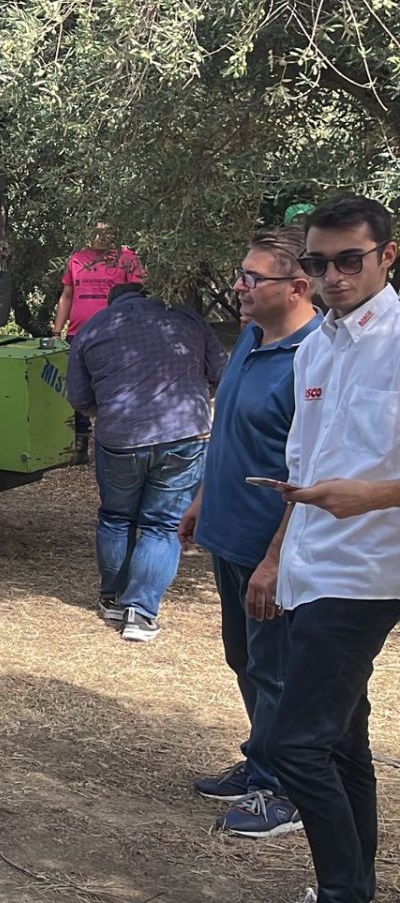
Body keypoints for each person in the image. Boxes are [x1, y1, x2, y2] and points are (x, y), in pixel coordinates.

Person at [248, 195, 400, 903]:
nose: (334, 276)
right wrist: (278, 556)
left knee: (293, 746)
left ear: (386, 256)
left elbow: (354, 484)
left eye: (349, 260)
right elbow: (302, 470)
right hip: (311, 564)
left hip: (367, 572)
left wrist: (369, 497)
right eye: (320, 262)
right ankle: (353, 887)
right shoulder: (317, 344)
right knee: (340, 743)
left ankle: (344, 892)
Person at [176, 228, 318, 837]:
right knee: (246, 658)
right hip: (229, 535)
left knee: (277, 669)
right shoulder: (251, 340)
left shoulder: (314, 356)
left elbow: (308, 468)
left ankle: (286, 788)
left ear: (297, 287)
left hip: (272, 548)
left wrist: (274, 558)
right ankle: (261, 760)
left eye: (254, 277)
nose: (240, 285)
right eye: (241, 273)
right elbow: (231, 431)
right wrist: (202, 499)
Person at [65, 281, 226, 642]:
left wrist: (106, 413)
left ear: (112, 302)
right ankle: (141, 612)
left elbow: (77, 395)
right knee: (163, 524)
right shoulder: (186, 318)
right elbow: (221, 372)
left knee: (116, 517)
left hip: (120, 437)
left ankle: (112, 599)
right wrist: (197, 398)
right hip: (184, 435)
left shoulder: (93, 327)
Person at [55, 220, 146, 338]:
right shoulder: (76, 259)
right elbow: (67, 296)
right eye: (96, 232)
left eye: (106, 232)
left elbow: (138, 294)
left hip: (113, 332)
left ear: (113, 234)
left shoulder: (126, 257)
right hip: (77, 334)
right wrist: (56, 332)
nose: (100, 237)